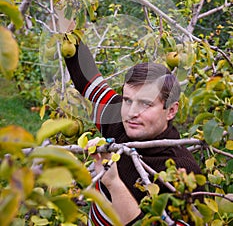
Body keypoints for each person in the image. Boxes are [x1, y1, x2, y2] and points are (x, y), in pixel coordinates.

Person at [65, 41, 203, 226]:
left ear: (171, 110)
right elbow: (87, 79)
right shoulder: (120, 122)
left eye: (146, 104)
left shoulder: (183, 171)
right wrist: (67, 32)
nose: (131, 113)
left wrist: (113, 184)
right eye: (128, 100)